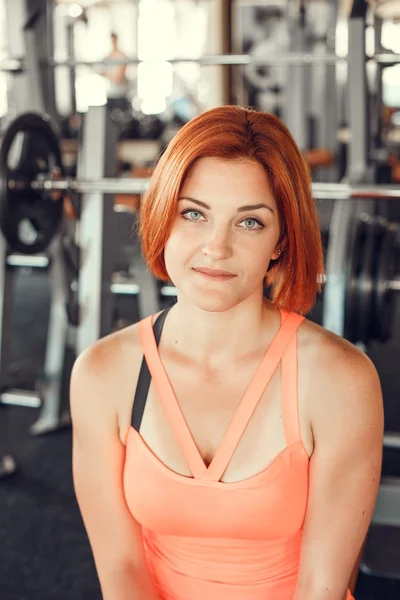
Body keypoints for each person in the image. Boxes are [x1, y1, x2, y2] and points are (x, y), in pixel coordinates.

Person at [70, 105, 383, 600]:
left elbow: (322, 588)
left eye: (250, 223)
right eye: (194, 214)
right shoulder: (103, 374)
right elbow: (123, 570)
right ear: (163, 218)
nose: (216, 248)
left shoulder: (341, 380)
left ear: (281, 241)